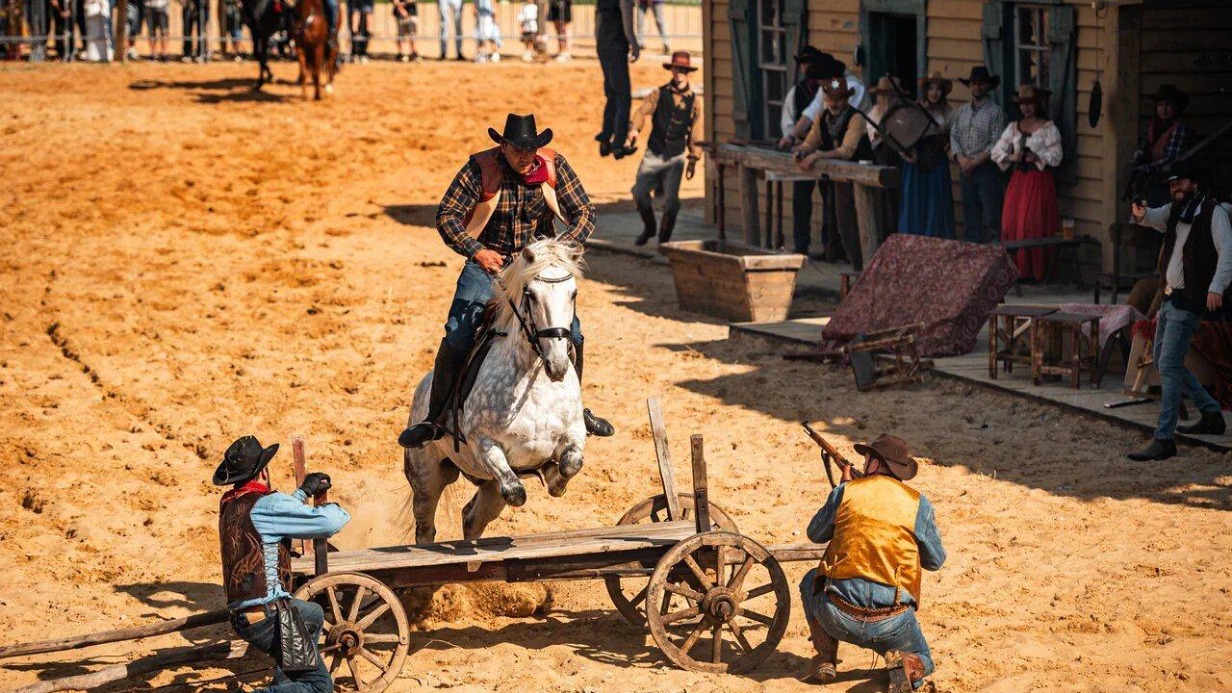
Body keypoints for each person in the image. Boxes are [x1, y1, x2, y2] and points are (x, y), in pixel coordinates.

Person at [398, 114, 614, 449]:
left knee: (573, 333)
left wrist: (557, 250)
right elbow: (446, 216)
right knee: (458, 333)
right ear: (503, 146)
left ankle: (576, 413)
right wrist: (477, 250)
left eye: (532, 149)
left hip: (536, 268)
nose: (527, 156)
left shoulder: (553, 164)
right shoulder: (480, 168)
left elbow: (585, 212)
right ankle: (436, 418)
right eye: (518, 150)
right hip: (490, 265)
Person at [799, 434, 946, 691]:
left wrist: (840, 491)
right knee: (924, 659)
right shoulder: (917, 503)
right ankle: (907, 665)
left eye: (866, 459)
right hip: (892, 622)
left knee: (811, 579)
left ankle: (825, 658)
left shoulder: (846, 492)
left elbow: (815, 533)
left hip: (837, 616)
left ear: (874, 464)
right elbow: (935, 561)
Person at [215, 435, 350, 693]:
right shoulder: (268, 505)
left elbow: (270, 517)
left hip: (244, 616)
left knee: (312, 614)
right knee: (320, 687)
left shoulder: (231, 504)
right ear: (263, 471)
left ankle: (287, 681)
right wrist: (332, 505)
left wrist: (302, 493)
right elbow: (331, 522)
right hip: (269, 616)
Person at [1127, 160, 1231, 461]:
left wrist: (1216, 287)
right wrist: (1140, 212)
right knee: (1163, 359)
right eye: (1172, 184)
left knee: (1169, 363)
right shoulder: (1176, 211)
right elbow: (1152, 217)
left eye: (1180, 182)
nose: (1175, 188)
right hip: (1172, 299)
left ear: (1195, 184)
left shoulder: (1214, 212)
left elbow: (1228, 253)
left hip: (1191, 300)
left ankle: (1165, 437)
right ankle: (1211, 413)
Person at [792, 77, 873, 270]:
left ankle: (862, 266)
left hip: (859, 175)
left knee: (857, 223)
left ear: (846, 100)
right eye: (830, 98)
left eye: (839, 98)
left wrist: (818, 156)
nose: (834, 103)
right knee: (840, 221)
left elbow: (847, 151)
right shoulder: (822, 116)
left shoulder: (856, 117)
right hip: (838, 177)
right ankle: (855, 265)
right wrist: (803, 151)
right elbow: (812, 140)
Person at [627, 50, 703, 246]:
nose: (678, 73)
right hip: (654, 151)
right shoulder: (659, 93)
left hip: (675, 156)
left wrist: (694, 158)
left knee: (670, 203)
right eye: (676, 68)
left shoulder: (694, 101)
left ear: (688, 72)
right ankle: (649, 226)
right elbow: (641, 112)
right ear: (671, 69)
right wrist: (634, 129)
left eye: (682, 69)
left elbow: (696, 130)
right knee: (639, 192)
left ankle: (664, 238)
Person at [777, 46, 845, 257]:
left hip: (827, 149)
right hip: (804, 148)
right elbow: (796, 118)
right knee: (801, 201)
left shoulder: (833, 84)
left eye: (810, 64)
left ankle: (830, 247)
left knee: (830, 201)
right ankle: (801, 245)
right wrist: (792, 138)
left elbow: (838, 95)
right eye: (804, 63)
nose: (807, 67)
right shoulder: (798, 91)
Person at [991, 84, 1063, 282]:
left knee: (1031, 223)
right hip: (1018, 181)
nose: (1027, 108)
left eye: (1030, 103)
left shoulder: (1048, 128)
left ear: (1037, 104)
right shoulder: (1014, 127)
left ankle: (1034, 271)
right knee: (1011, 223)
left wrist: (1037, 156)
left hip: (1038, 180)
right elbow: (996, 152)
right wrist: (1012, 157)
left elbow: (1057, 156)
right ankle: (1015, 270)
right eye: (1023, 104)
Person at [951, 65, 1008, 243]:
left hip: (987, 169)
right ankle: (972, 259)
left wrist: (975, 162)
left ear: (988, 86)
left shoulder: (996, 112)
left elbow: (997, 142)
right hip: (965, 168)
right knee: (970, 216)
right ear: (970, 86)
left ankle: (997, 253)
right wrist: (961, 159)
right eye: (974, 84)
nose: (977, 87)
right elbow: (954, 136)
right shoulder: (962, 111)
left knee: (992, 215)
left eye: (981, 84)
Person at [899, 72, 956, 238]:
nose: (934, 92)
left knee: (936, 203)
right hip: (916, 161)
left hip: (937, 161)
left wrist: (945, 137)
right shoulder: (916, 109)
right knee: (914, 204)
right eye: (931, 88)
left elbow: (955, 139)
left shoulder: (948, 112)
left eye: (938, 89)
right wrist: (908, 154)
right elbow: (904, 136)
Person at [1132, 85, 1195, 207]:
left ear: (1176, 107)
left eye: (1168, 105)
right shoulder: (1154, 127)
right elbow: (1144, 147)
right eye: (1160, 105)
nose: (1163, 109)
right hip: (1152, 184)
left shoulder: (1180, 128)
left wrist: (1146, 169)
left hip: (1169, 186)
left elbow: (1171, 158)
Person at [594, 0, 638, 158]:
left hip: (603, 45)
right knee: (623, 97)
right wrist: (634, 42)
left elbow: (597, 22)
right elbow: (627, 16)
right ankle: (618, 144)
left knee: (612, 94)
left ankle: (606, 137)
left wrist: (600, 44)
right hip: (616, 46)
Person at [866, 75, 906, 240]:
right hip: (881, 162)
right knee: (882, 206)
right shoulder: (874, 113)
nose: (887, 99)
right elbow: (874, 141)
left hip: (901, 164)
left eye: (891, 95)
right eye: (883, 94)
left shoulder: (904, 113)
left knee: (899, 205)